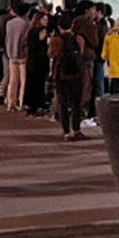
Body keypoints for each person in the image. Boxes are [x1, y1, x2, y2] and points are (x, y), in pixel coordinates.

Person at [49, 13, 87, 141]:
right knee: (76, 103)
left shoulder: (56, 40)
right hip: (77, 75)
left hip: (61, 75)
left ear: (59, 27)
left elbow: (51, 54)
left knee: (63, 104)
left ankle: (66, 133)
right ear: (72, 25)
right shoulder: (79, 39)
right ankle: (77, 130)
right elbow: (81, 55)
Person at [3, 2, 31, 112]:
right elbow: (26, 39)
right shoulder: (27, 24)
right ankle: (22, 102)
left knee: (13, 79)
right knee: (23, 80)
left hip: (11, 53)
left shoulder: (9, 23)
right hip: (22, 53)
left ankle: (11, 102)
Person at [24, 11, 51, 116]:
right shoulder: (33, 32)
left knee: (41, 84)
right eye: (44, 19)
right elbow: (32, 47)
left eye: (46, 19)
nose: (46, 21)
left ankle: (39, 104)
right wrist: (41, 40)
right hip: (35, 63)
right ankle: (33, 106)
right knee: (34, 84)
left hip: (42, 62)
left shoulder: (45, 31)